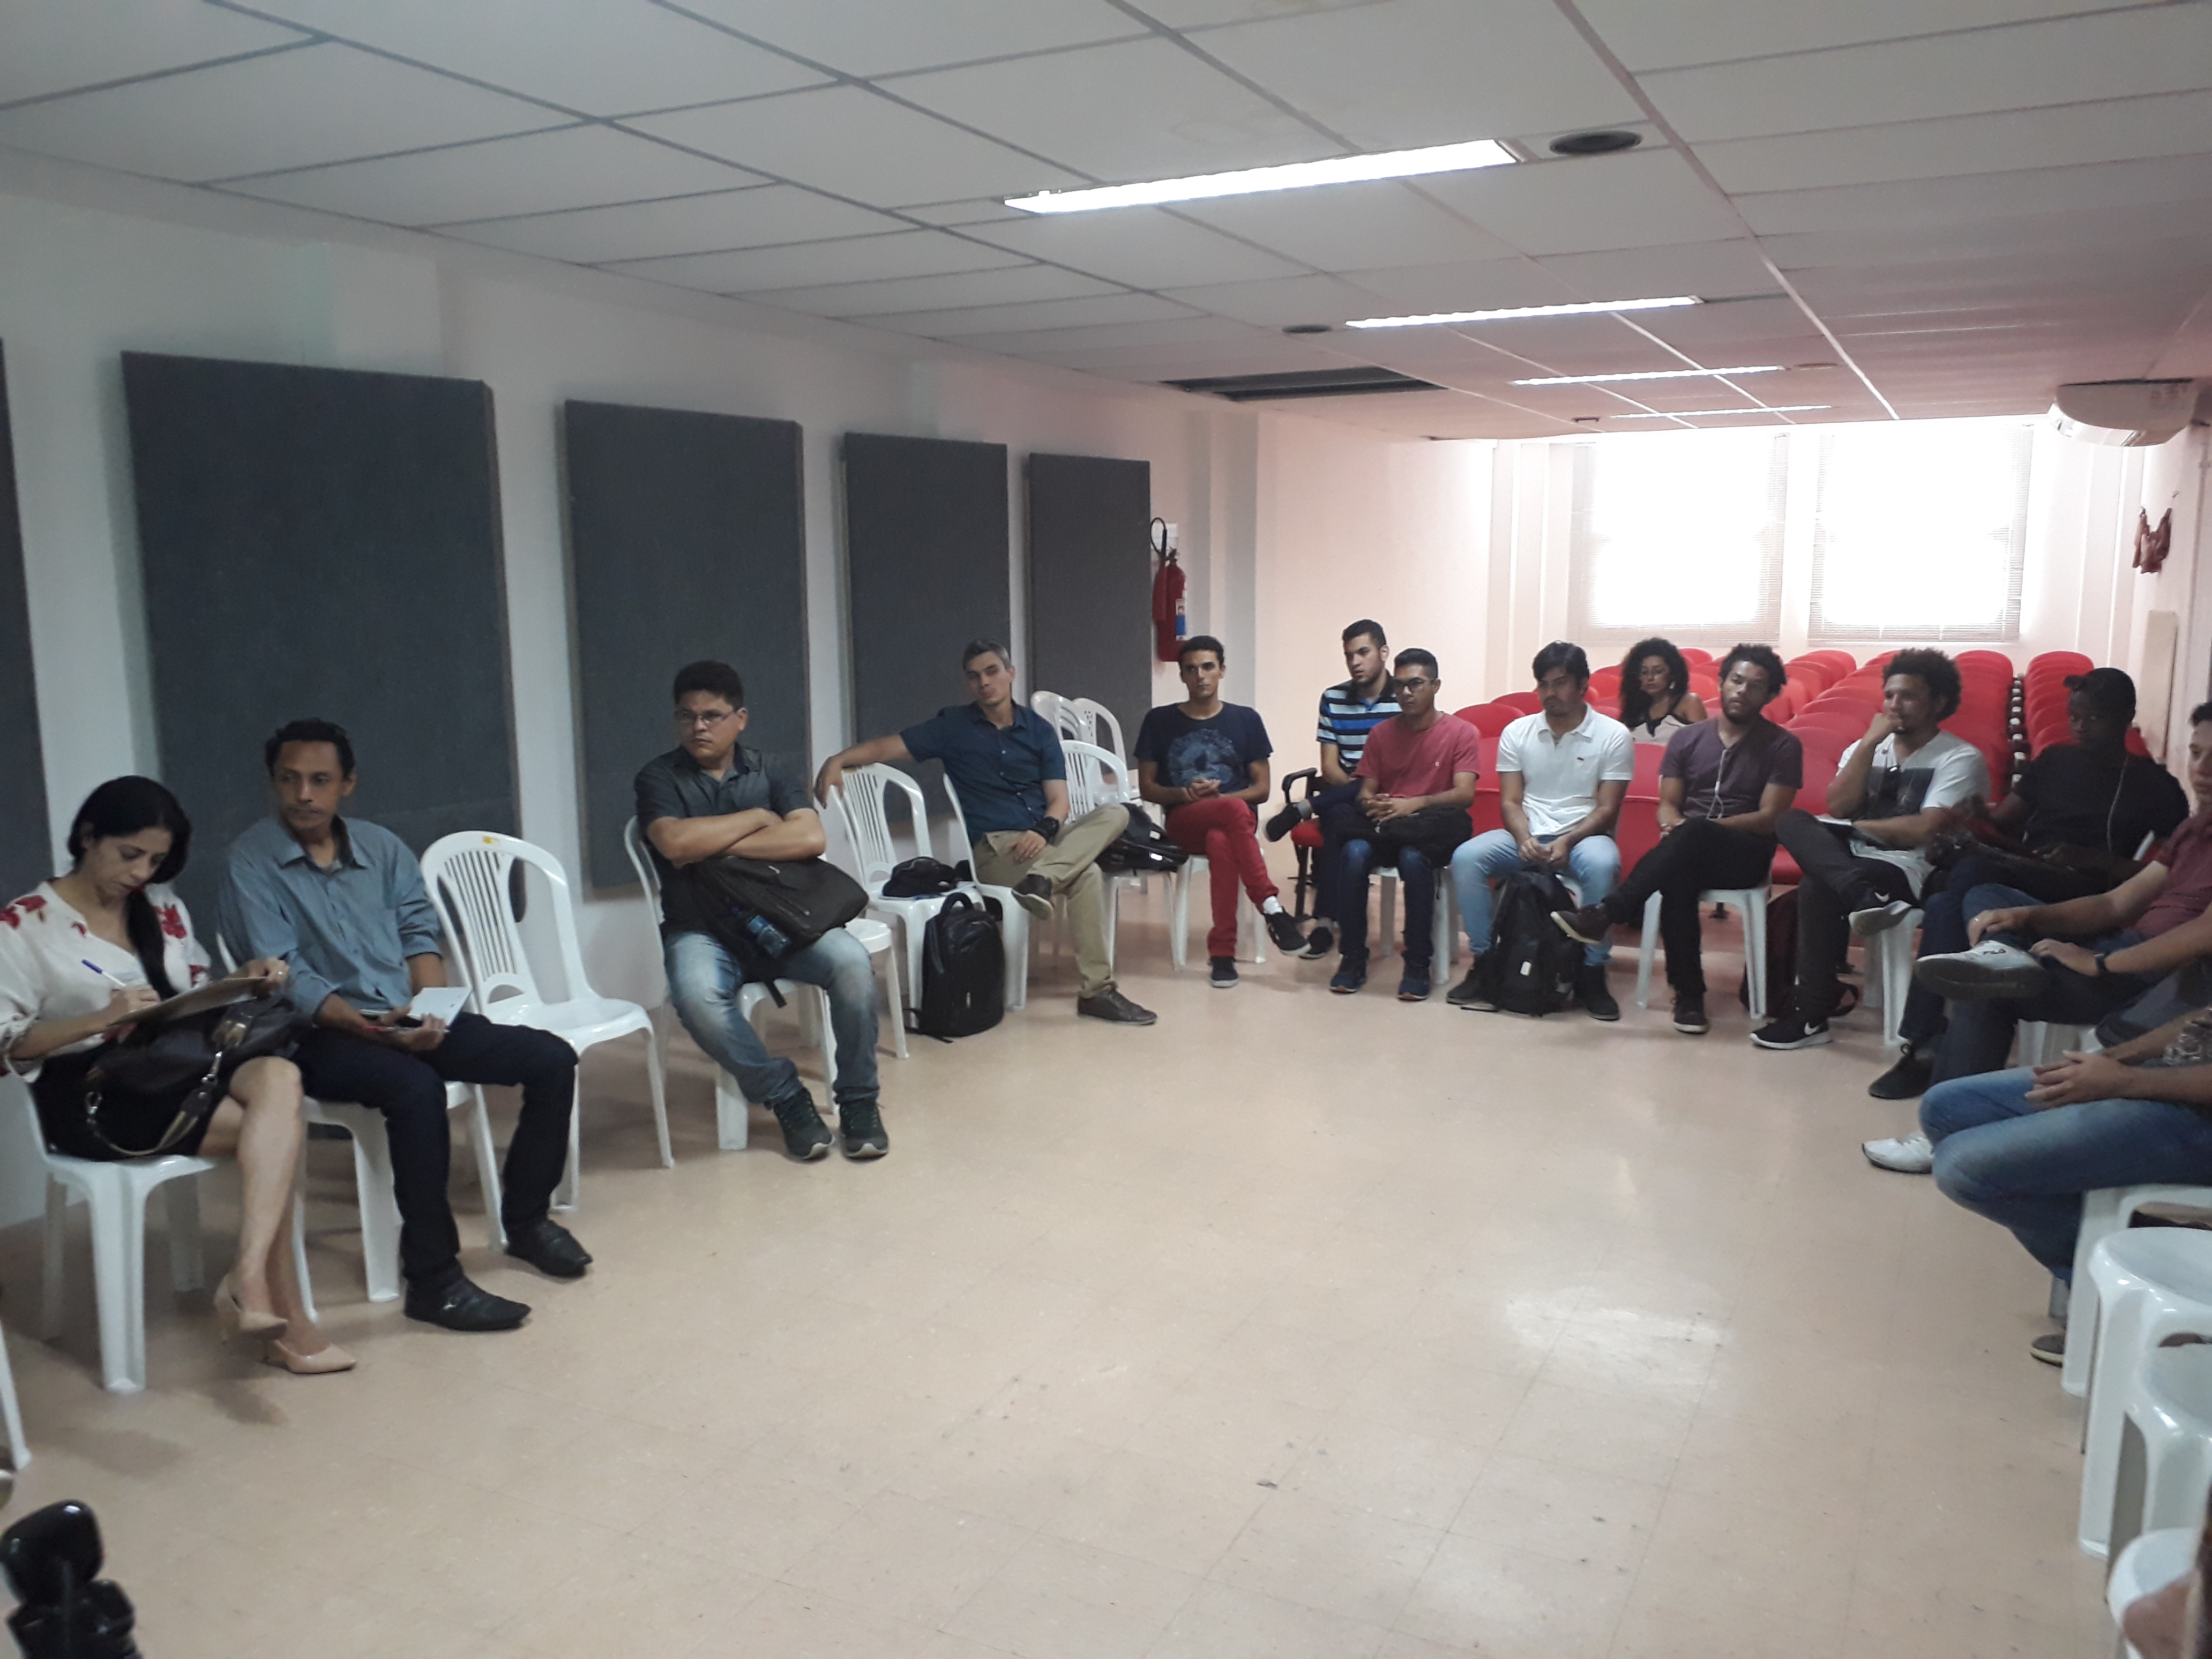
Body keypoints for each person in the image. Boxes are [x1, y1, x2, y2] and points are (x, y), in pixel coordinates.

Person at [221, 720, 587, 1334]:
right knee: (415, 1090)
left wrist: (431, 1013)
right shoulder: (250, 861)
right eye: (289, 780)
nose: (304, 794)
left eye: (320, 780)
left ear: (348, 784)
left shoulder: (383, 848)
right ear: (273, 783)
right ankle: (434, 1281)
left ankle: (527, 1221)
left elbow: (420, 935)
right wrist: (370, 1031)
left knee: (551, 1057)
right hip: (313, 1034)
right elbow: (284, 975)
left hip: (403, 1014)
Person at [0, 779, 349, 1375]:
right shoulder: (24, 924)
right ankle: (280, 1314)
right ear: (88, 837)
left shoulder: (161, 906)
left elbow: (193, 996)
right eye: (129, 855)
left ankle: (249, 1278)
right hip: (93, 1094)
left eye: (155, 860)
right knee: (278, 1132)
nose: (141, 873)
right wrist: (101, 1019)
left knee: (278, 1079)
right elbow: (7, 1043)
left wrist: (245, 978)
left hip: (174, 1067)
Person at [1866, 666, 2189, 1103]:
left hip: (2088, 891)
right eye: (2074, 717)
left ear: (2125, 716)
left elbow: (2168, 876)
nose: (2080, 727)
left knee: (1967, 878)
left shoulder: (2155, 785)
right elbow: (2006, 820)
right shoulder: (2055, 760)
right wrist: (1979, 815)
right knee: (1949, 901)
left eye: (2093, 718)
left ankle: (1933, 1037)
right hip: (2026, 871)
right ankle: (1931, 1035)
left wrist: (2097, 860)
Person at [813, 640, 1154, 1026]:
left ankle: (1045, 877)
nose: (984, 683)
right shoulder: (952, 727)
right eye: (974, 677)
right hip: (997, 848)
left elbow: (1059, 800)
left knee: (1119, 813)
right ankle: (1097, 992)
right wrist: (838, 759)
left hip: (1046, 837)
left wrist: (1043, 832)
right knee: (1087, 873)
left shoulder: (1039, 730)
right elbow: (885, 747)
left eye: (992, 672)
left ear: (1011, 674)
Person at [641, 661, 887, 1162]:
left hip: (784, 919)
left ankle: (859, 1100)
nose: (699, 727)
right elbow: (674, 844)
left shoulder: (772, 769)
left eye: (712, 716)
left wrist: (713, 846)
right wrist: (756, 818)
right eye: (687, 716)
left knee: (852, 965)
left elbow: (810, 837)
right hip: (700, 930)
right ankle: (786, 1095)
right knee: (697, 998)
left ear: (740, 719)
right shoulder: (658, 777)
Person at [1921, 1003, 2212, 1364]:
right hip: (2174, 1076)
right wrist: (2112, 1060)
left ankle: (2118, 1293)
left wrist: (2127, 1081)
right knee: (1947, 1109)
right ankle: (2160, 1254)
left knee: (1964, 1169)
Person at [1555, 645, 1800, 1034]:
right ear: (1722, 683)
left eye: (1755, 686)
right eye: (1736, 680)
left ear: (1769, 695)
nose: (1742, 690)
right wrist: (1675, 825)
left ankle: (1607, 913)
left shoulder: (1783, 745)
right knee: (1678, 877)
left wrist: (1698, 829)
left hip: (1746, 854)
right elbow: (1668, 804)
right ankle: (1689, 996)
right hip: (1689, 847)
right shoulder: (1688, 740)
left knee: (1696, 832)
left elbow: (1769, 818)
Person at [1750, 648, 1987, 1051]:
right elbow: (1839, 805)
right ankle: (1860, 894)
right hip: (1855, 863)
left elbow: (1925, 830)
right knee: (1789, 820)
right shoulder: (1868, 747)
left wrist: (1855, 830)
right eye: (1889, 695)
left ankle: (1811, 1016)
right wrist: (1868, 744)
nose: (1894, 705)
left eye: (1908, 696)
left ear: (1939, 703)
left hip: (1914, 869)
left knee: (1816, 884)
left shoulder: (1960, 758)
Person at [1446, 642, 1633, 1019]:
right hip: (1527, 834)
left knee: (1603, 864)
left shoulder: (1613, 735)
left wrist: (1569, 839)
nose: (1550, 693)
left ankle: (1592, 972)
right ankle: (1485, 963)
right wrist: (1523, 838)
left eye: (1560, 683)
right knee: (1466, 858)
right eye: (1543, 684)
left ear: (1583, 685)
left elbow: (1607, 809)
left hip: (1584, 838)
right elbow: (1511, 802)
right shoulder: (1518, 732)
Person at [1134, 636, 1307, 988]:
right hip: (1185, 820)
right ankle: (1271, 908)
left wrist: (1222, 799)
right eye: (1191, 669)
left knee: (1222, 839)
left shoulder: (1246, 720)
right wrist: (1184, 794)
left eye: (1208, 667)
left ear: (1222, 671)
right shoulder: (1159, 721)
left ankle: (1223, 954)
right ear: (1182, 676)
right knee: (1232, 813)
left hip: (1234, 824)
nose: (1200, 676)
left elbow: (1262, 789)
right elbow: (1147, 788)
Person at [1328, 650, 1482, 1001]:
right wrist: (1374, 804)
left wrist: (1415, 804)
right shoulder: (1382, 734)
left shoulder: (1461, 732)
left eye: (1415, 684)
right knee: (1353, 851)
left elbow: (1464, 794)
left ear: (1436, 686)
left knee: (1414, 860)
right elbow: (1364, 792)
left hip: (1429, 829)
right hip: (1387, 826)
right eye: (1399, 686)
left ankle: (1417, 963)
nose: (1406, 693)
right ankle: (1352, 958)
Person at [1265, 619, 1399, 961]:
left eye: (1363, 653)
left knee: (1337, 812)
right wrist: (1360, 791)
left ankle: (1304, 808)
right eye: (1349, 655)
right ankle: (1324, 922)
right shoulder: (1333, 698)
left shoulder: (1405, 697)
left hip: (1392, 798)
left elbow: (1405, 771)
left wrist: (1373, 792)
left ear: (1384, 652)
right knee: (1337, 817)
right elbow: (1330, 767)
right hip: (1349, 794)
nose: (1355, 662)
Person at [1616, 637, 1708, 746]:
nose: (1650, 678)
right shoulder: (1634, 709)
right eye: (1644, 673)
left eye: (1658, 672)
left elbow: (1703, 747)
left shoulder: (1689, 702)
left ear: (1673, 673)